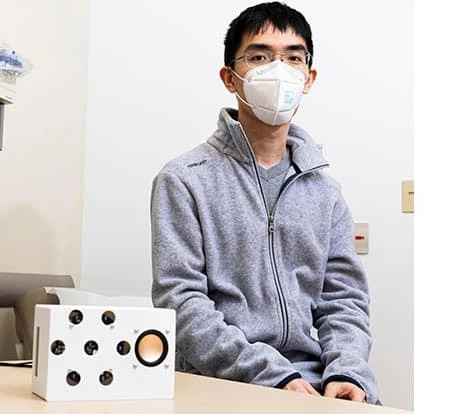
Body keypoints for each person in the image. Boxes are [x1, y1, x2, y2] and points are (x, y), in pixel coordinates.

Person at [149, 1, 379, 404]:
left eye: (293, 58)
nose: (278, 70)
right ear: (230, 78)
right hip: (219, 381)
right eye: (259, 56)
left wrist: (348, 372)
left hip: (312, 381)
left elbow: (344, 300)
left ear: (308, 78)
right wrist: (273, 377)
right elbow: (181, 304)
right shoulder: (184, 179)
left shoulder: (325, 192)